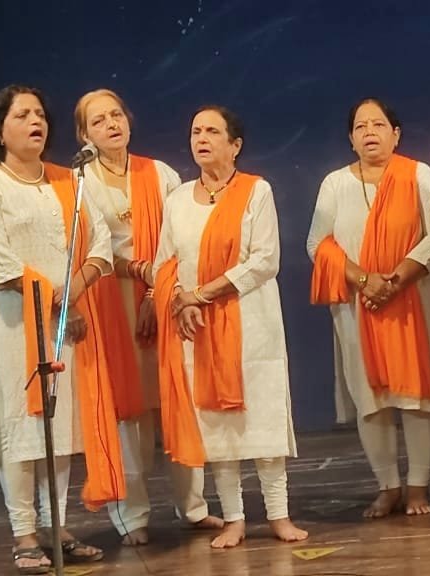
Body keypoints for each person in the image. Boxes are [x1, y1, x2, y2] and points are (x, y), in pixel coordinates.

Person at [0, 85, 114, 574]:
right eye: (23, 114)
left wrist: (72, 295)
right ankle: (24, 533)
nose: (36, 122)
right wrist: (56, 302)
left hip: (62, 323)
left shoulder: (67, 182)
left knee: (57, 427)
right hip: (12, 325)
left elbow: (101, 245)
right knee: (21, 429)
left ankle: (57, 527)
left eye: (41, 114)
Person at [150, 105, 307, 547]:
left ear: (235, 145)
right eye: (195, 131)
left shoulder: (256, 191)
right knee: (218, 430)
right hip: (197, 330)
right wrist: (180, 303)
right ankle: (234, 518)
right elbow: (165, 264)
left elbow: (265, 260)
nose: (201, 139)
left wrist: (201, 293)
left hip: (252, 324)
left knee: (262, 422)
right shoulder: (178, 200)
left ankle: (278, 514)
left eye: (212, 132)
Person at [74, 89, 222, 545]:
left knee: (178, 398)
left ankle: (193, 507)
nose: (111, 125)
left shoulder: (159, 174)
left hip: (164, 296)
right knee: (130, 411)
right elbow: (91, 248)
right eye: (98, 121)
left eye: (116, 115)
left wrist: (155, 291)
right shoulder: (80, 183)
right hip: (110, 301)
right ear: (84, 135)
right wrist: (139, 272)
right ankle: (131, 515)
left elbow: (178, 236)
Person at [308, 98, 430, 517]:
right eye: (361, 127)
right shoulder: (335, 183)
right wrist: (366, 280)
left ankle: (418, 486)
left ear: (396, 134)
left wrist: (396, 279)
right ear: (351, 139)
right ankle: (388, 486)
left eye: (379, 124)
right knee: (370, 397)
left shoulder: (418, 174)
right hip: (357, 304)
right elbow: (318, 243)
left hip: (413, 300)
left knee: (417, 395)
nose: (370, 132)